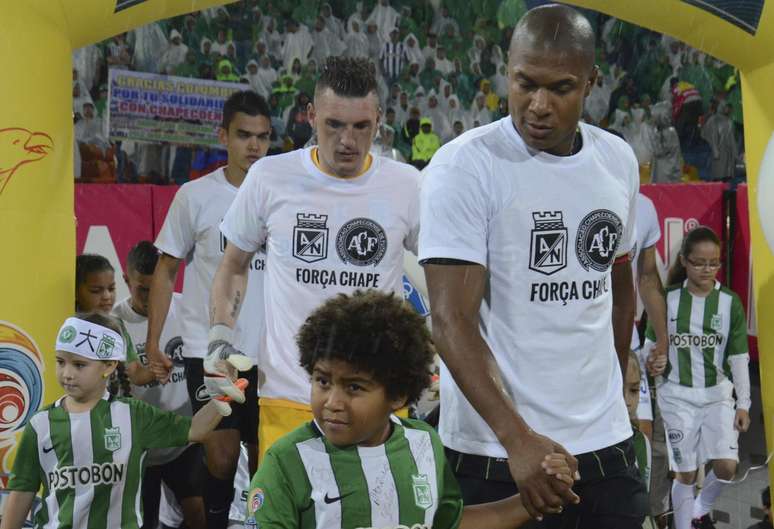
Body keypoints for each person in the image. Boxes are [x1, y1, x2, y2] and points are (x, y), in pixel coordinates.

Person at [419, 5, 648, 528]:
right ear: (508, 69)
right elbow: (451, 321)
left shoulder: (617, 160)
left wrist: (614, 393)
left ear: (592, 81)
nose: (538, 105)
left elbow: (617, 281)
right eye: (524, 83)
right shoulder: (464, 167)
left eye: (561, 88)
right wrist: (517, 439)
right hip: (496, 454)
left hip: (606, 449)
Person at [209, 57, 421, 463]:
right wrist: (220, 337)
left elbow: (443, 278)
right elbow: (233, 265)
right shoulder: (270, 178)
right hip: (290, 395)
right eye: (334, 125)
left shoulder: (407, 185)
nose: (348, 140)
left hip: (379, 397)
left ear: (379, 119)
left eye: (362, 126)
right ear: (310, 116)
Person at [244, 290, 577, 529]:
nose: (332, 402)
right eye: (323, 381)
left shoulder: (424, 443)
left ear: (399, 395)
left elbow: (449, 521)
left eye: (354, 387)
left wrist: (537, 497)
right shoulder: (287, 461)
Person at [146, 91, 271, 529]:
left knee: (265, 461)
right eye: (243, 135)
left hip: (271, 353)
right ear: (223, 136)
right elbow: (164, 271)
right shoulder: (195, 196)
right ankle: (218, 518)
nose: (253, 146)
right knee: (220, 455)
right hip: (212, 350)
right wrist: (152, 342)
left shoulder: (280, 198)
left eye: (262, 137)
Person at [0, 313, 238, 529]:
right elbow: (22, 492)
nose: (67, 373)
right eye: (60, 362)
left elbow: (196, 429)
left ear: (109, 365)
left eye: (79, 364)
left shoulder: (134, 415)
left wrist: (222, 394)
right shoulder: (40, 424)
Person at [643, 226, 751, 529]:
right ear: (684, 261)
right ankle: (683, 525)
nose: (707, 269)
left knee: (727, 467)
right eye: (699, 262)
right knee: (686, 474)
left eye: (714, 262)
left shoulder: (730, 303)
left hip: (717, 395)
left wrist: (743, 404)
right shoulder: (668, 299)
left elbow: (739, 358)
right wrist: (653, 361)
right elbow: (650, 348)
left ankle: (698, 509)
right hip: (677, 397)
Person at [112, 241, 206, 529]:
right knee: (145, 523)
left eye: (157, 287)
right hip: (139, 447)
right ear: (127, 279)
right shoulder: (115, 324)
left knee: (198, 514)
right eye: (142, 288)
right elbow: (133, 375)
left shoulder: (186, 309)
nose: (151, 296)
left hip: (182, 438)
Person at [75, 254, 154, 386]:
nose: (107, 296)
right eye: (96, 291)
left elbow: (135, 373)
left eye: (111, 289)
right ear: (76, 292)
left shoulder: (117, 326)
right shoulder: (71, 329)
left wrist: (156, 370)